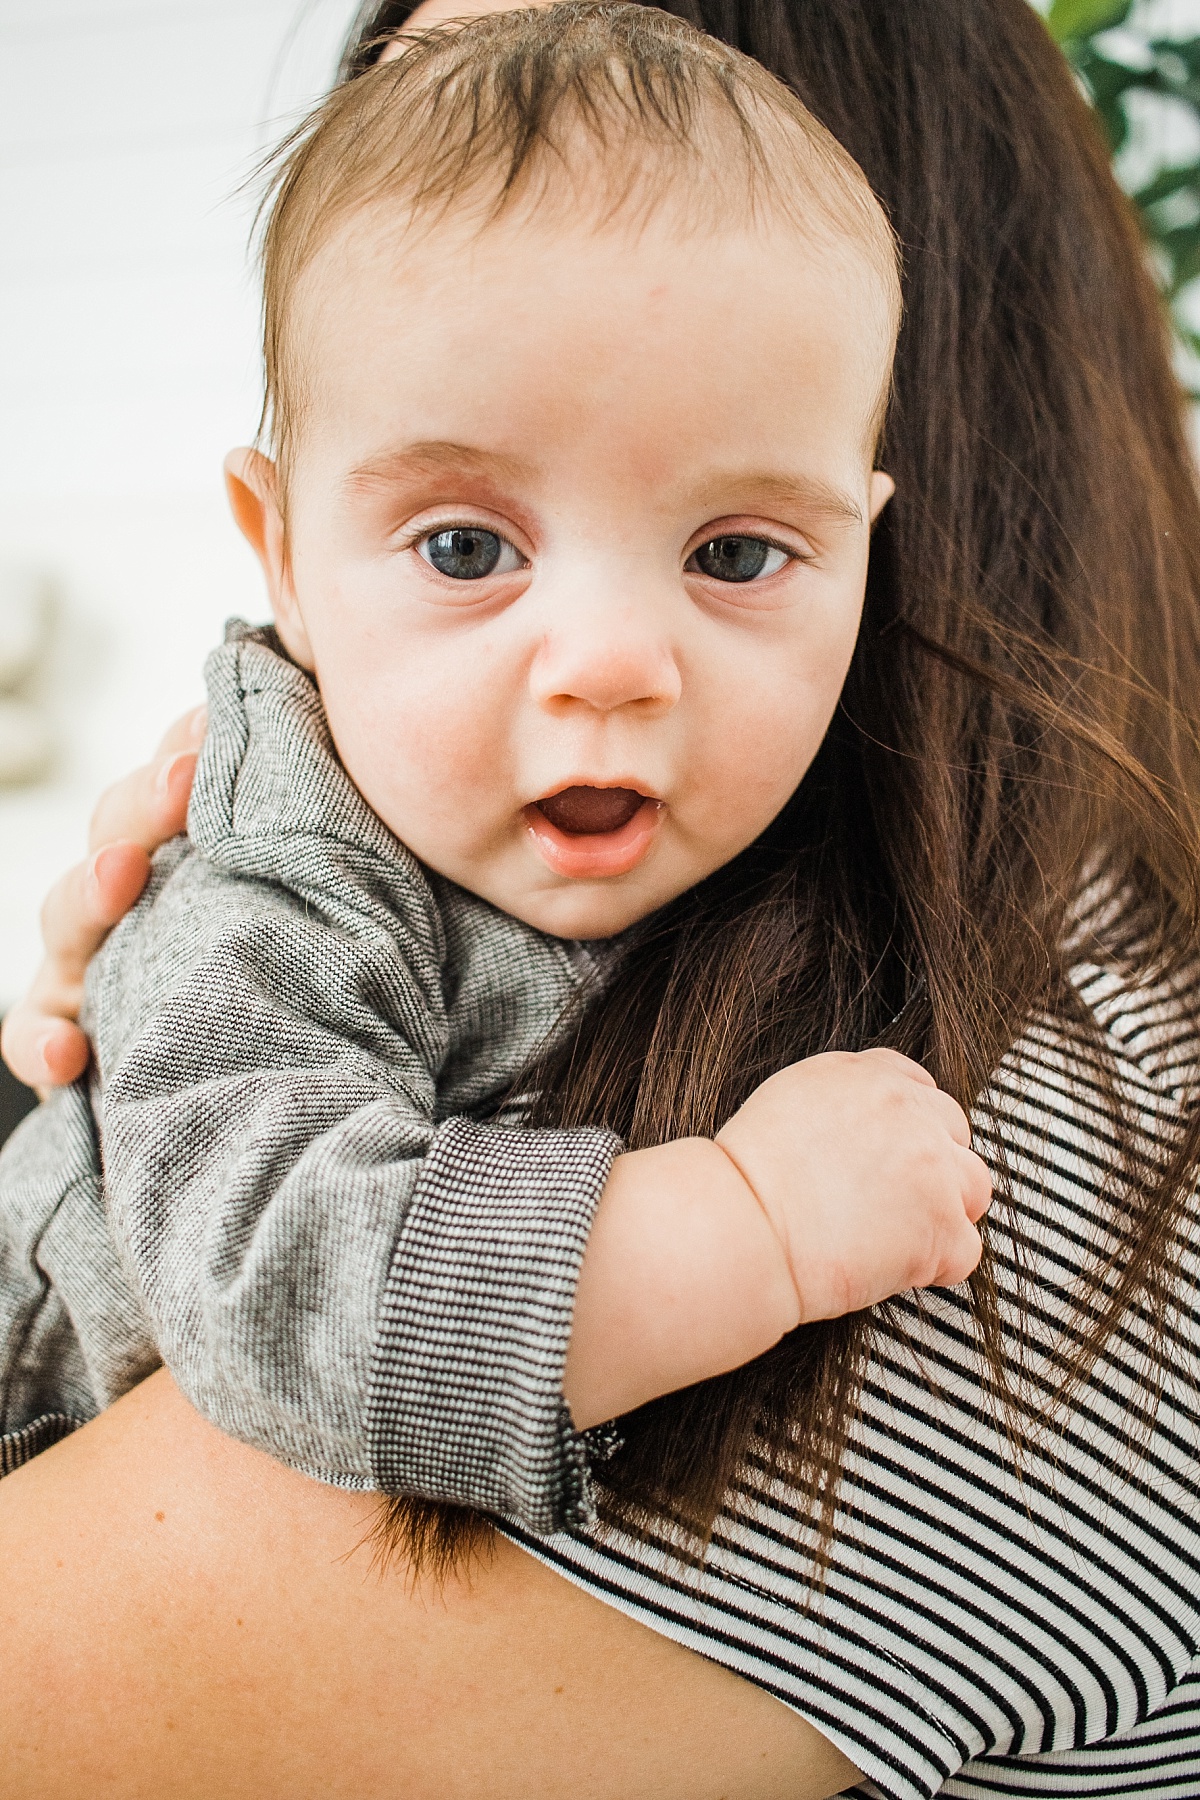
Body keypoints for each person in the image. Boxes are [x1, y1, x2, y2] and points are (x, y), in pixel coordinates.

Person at [3, 1, 1200, 1796]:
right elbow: (297, 1284)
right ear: (287, 545)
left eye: (734, 552)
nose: (611, 664)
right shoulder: (280, 899)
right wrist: (740, 1229)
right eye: (470, 546)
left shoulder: (1040, 1132)